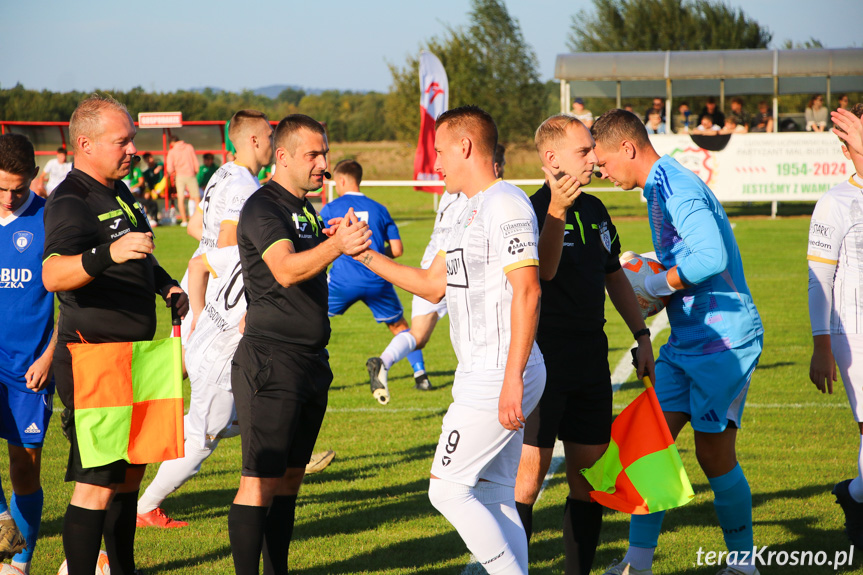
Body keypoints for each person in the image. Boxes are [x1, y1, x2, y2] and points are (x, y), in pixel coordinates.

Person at [353, 105, 545, 575]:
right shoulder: (462, 209)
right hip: (481, 371)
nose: (434, 162)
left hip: (500, 372)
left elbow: (529, 290)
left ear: (465, 147)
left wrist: (512, 378)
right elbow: (432, 285)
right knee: (496, 492)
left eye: (439, 151)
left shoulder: (506, 202)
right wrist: (365, 255)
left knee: (446, 489)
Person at [592, 109, 763, 575]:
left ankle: (744, 565)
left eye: (603, 162)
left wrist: (656, 284)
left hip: (723, 340)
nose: (601, 172)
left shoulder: (676, 186)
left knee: (713, 454)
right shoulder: (658, 186)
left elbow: (712, 255)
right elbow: (691, 255)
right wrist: (648, 270)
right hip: (690, 339)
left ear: (628, 148)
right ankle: (638, 565)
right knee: (649, 441)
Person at [42, 94, 188, 575]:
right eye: (122, 141)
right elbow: (54, 274)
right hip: (95, 361)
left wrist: (165, 283)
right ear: (84, 144)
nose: (132, 150)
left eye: (133, 140)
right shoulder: (70, 200)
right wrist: (107, 254)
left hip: (139, 356)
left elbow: (138, 252)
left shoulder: (121, 192)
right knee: (97, 483)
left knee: (128, 477)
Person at [228, 114, 370, 575]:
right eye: (313, 155)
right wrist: (337, 246)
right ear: (283, 156)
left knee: (289, 482)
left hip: (309, 362)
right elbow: (285, 269)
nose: (323, 164)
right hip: (272, 362)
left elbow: (302, 264)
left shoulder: (304, 207)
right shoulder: (263, 207)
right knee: (259, 483)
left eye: (325, 153)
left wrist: (327, 238)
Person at [514, 115, 654, 575]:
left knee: (588, 481)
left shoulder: (596, 210)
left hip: (591, 360)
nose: (594, 158)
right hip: (542, 361)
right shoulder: (527, 210)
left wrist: (641, 335)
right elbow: (546, 271)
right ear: (551, 159)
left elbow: (614, 275)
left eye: (593, 149)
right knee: (526, 482)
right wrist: (556, 211)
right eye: (583, 151)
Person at [320, 160, 431, 402]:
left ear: (341, 180)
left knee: (311, 319)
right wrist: (376, 255)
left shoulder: (330, 208)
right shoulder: (380, 208)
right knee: (400, 327)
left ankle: (307, 377)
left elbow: (321, 246)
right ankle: (421, 376)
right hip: (377, 279)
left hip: (342, 281)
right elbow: (398, 249)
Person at [0, 134, 57, 574]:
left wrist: (50, 355)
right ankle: (2, 521)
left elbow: (73, 300)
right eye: (0, 187)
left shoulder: (50, 220)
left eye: (17, 189)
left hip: (30, 367)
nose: (7, 197)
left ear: (33, 179)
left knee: (25, 469)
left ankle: (19, 562)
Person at [808, 103, 863, 549]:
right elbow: (818, 280)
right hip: (855, 338)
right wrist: (820, 344)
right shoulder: (835, 202)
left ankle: (854, 494)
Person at [179, 109, 273, 346]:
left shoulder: (223, 172)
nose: (274, 142)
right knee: (192, 364)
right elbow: (227, 241)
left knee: (179, 366)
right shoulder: (245, 186)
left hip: (197, 278)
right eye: (270, 136)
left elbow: (193, 226)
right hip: (214, 289)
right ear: (255, 140)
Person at [165, 135, 200, 226]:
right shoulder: (189, 147)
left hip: (180, 176)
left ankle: (184, 220)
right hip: (191, 174)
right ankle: (200, 220)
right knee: (196, 197)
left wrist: (173, 172)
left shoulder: (172, 151)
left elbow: (169, 168)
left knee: (181, 198)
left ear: (172, 143)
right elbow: (195, 162)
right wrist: (195, 171)